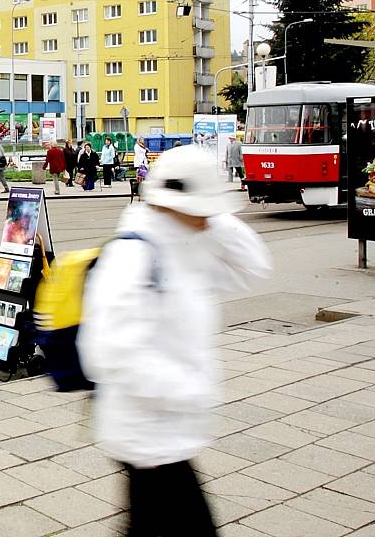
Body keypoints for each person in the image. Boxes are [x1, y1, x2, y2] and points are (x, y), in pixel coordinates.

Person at [79, 146, 271, 536]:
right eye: (203, 209)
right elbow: (108, 350)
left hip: (167, 436)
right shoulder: (135, 255)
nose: (208, 218)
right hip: (146, 437)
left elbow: (254, 266)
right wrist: (189, 391)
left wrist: (212, 215)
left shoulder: (184, 245)